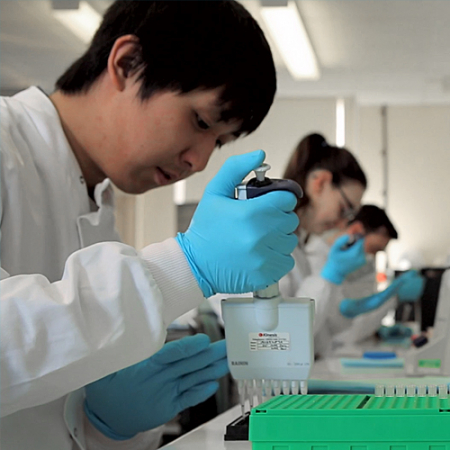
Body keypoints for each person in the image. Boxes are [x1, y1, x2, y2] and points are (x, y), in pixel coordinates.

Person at [0, 2, 300, 449]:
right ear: (127, 64)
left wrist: (107, 426)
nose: (198, 161)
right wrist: (181, 267)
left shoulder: (98, 211)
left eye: (217, 142)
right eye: (200, 121)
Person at [278, 133, 368, 346]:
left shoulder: (298, 245)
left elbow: (318, 334)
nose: (341, 224)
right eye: (344, 209)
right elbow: (280, 336)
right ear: (320, 183)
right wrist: (329, 277)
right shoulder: (268, 240)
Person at [306, 205, 424, 352]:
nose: (371, 257)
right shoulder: (317, 259)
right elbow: (335, 328)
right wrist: (392, 298)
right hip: (324, 351)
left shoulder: (360, 263)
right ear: (356, 231)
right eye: (373, 249)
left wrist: (377, 329)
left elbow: (355, 315)